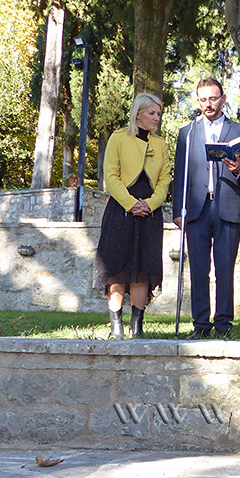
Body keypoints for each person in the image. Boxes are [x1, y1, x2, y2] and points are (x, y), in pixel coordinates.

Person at [172, 78, 240, 340]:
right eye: (203, 99)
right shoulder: (188, 133)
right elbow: (180, 175)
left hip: (227, 207)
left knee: (224, 268)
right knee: (198, 268)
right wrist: (178, 209)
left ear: (223, 99)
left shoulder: (239, 130)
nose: (209, 104)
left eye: (213, 98)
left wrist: (238, 168)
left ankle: (224, 323)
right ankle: (200, 324)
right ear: (198, 101)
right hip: (196, 209)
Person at [94, 93, 171, 339]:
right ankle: (116, 326)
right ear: (138, 114)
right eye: (152, 113)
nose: (156, 118)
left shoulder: (161, 145)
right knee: (118, 268)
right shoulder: (118, 139)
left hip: (150, 213)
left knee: (143, 270)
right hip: (121, 210)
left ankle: (136, 327)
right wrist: (130, 204)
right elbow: (111, 176)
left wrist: (149, 204)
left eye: (158, 114)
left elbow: (164, 180)